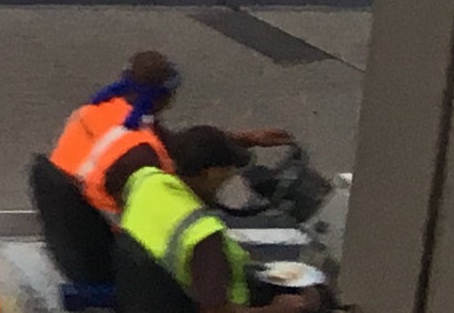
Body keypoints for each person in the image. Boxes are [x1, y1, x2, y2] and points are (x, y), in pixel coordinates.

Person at [31, 53, 292, 286]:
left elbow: (174, 143)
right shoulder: (142, 161)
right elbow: (159, 211)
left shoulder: (97, 112)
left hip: (76, 229)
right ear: (165, 96)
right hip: (110, 248)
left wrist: (243, 139)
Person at [117, 124, 326, 311]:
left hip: (147, 297)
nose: (231, 174)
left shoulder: (145, 181)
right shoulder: (203, 235)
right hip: (222, 303)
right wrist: (278, 309)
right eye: (227, 169)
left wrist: (243, 140)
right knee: (313, 298)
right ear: (210, 172)